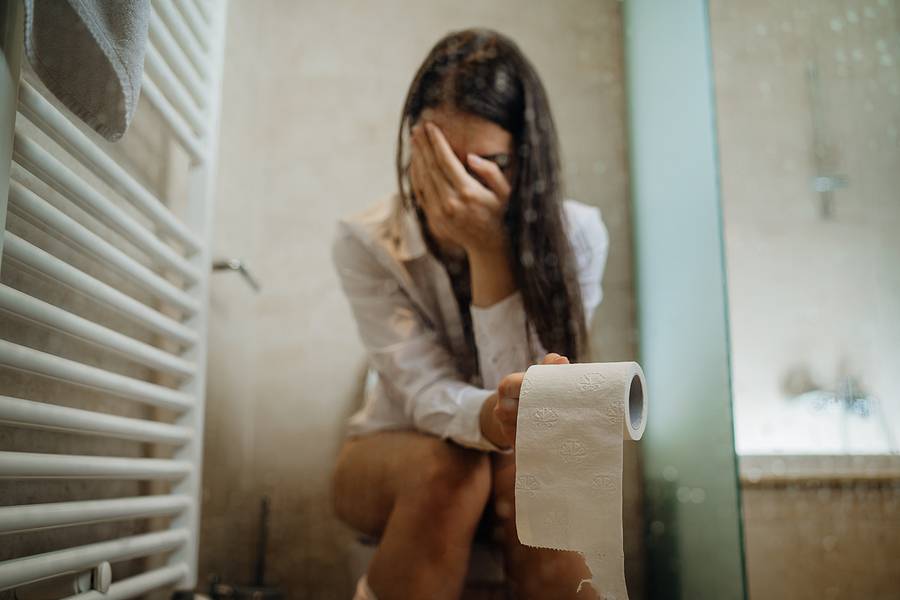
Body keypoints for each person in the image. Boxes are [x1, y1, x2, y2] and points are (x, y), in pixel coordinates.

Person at [331, 28, 609, 600]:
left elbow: (535, 421)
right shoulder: (365, 240)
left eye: (486, 164)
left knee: (541, 498)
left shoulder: (578, 234)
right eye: (438, 160)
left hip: (517, 463)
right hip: (396, 445)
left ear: (524, 158)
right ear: (414, 144)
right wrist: (486, 418)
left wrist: (489, 249)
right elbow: (421, 388)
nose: (457, 190)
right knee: (451, 474)